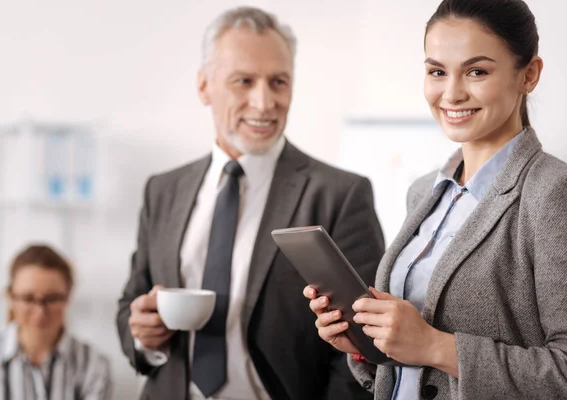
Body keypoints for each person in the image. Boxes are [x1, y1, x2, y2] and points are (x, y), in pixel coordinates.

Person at [305, 0, 567, 398]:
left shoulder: (555, 195)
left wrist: (436, 346)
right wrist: (366, 345)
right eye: (437, 71)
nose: (452, 94)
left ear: (529, 75)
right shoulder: (424, 192)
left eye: (476, 71)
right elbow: (412, 361)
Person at [116, 6, 384, 400]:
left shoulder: (339, 195)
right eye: (244, 81)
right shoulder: (163, 190)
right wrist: (142, 337)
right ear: (204, 86)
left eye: (278, 82)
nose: (264, 103)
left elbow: (367, 342)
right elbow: (131, 303)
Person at [0, 244, 112, 399]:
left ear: (67, 297)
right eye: (28, 299)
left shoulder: (93, 365)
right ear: (10, 297)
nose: (40, 311)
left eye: (52, 299)